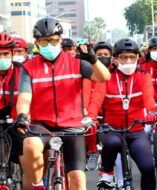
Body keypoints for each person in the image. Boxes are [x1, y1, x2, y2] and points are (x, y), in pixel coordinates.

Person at [14, 17, 111, 190]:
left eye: (53, 40)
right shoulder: (29, 67)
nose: (49, 44)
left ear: (60, 39)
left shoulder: (77, 62)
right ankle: (38, 185)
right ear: (36, 42)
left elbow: (104, 77)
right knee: (29, 144)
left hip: (73, 125)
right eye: (44, 41)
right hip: (41, 125)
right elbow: (24, 97)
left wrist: (93, 60)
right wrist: (22, 115)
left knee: (77, 181)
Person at [88, 38, 157, 190]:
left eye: (132, 57)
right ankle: (106, 172)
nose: (128, 61)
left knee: (148, 169)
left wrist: (152, 113)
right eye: (124, 57)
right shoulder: (106, 76)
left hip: (136, 130)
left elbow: (149, 99)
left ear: (138, 58)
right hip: (112, 129)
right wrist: (91, 117)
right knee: (112, 143)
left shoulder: (143, 76)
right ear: (115, 58)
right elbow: (96, 100)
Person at [85, 41, 113, 171]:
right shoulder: (87, 73)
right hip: (94, 112)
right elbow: (91, 98)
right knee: (90, 125)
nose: (103, 57)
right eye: (99, 54)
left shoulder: (117, 72)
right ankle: (93, 152)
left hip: (113, 113)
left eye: (106, 54)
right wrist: (89, 114)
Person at [0, 32, 24, 164]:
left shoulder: (22, 72)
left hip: (16, 119)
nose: (2, 58)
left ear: (12, 54)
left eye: (5, 54)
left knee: (25, 150)